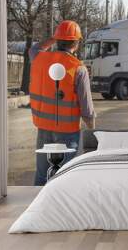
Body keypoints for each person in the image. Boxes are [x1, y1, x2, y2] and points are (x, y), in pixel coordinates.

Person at [29, 20, 95, 186]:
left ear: (57, 40)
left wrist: (54, 37)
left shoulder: (39, 58)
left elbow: (35, 48)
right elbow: (86, 108)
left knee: (42, 174)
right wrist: (92, 128)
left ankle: (38, 208)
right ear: (76, 43)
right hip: (68, 132)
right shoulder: (78, 68)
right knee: (65, 177)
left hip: (43, 127)